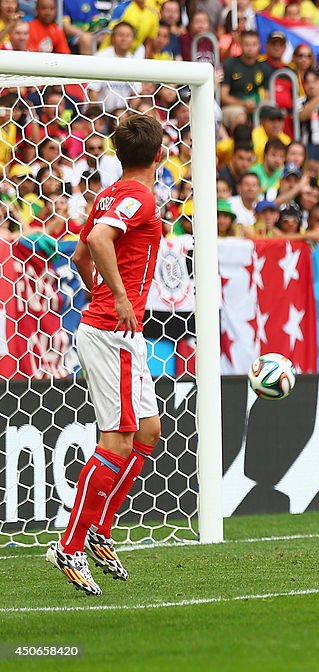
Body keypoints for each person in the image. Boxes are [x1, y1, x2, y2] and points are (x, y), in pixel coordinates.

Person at [49, 115, 166, 596]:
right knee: (116, 441)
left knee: (148, 432)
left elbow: (80, 256)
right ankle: (69, 544)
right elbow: (96, 243)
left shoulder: (109, 194)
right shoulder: (139, 197)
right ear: (161, 156)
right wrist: (116, 297)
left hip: (119, 330)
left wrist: (102, 291)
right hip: (112, 330)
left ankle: (100, 527)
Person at [220, 30, 272, 127]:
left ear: (260, 45)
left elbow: (267, 96)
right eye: (247, 44)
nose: (250, 48)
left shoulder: (265, 67)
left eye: (254, 44)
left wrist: (257, 105)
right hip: (232, 108)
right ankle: (241, 142)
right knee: (241, 115)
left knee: (273, 115)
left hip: (256, 106)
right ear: (240, 44)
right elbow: (223, 96)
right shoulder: (230, 64)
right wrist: (243, 104)